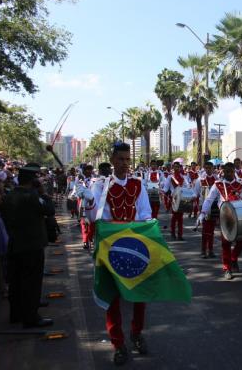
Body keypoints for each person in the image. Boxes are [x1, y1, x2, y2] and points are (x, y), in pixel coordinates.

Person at [85, 142, 152, 365]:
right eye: (120, 159)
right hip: (110, 248)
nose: (124, 164)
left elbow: (145, 213)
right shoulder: (100, 186)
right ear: (112, 160)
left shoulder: (137, 184)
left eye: (127, 159)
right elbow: (95, 217)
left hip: (134, 245)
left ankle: (136, 333)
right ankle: (118, 342)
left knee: (139, 294)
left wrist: (144, 233)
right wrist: (88, 201)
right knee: (113, 297)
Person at [0, 163, 54, 328]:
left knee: (16, 281)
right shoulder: (31, 196)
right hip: (32, 245)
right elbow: (49, 210)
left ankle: (16, 314)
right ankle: (31, 317)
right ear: (32, 181)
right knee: (31, 282)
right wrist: (43, 194)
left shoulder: (10, 195)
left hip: (15, 243)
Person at [198, 162, 242, 280]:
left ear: (234, 171)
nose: (228, 173)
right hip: (225, 216)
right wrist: (202, 213)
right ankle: (227, 268)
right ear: (223, 171)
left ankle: (233, 258)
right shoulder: (218, 184)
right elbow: (209, 200)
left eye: (231, 171)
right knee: (226, 243)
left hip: (240, 215)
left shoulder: (239, 184)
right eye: (226, 171)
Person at [193, 161, 219, 258]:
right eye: (207, 168)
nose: (208, 170)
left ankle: (211, 250)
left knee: (211, 229)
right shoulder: (200, 180)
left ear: (213, 169)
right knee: (205, 229)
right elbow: (195, 193)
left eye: (210, 168)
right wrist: (193, 199)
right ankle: (203, 250)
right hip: (204, 206)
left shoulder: (217, 179)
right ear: (204, 168)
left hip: (215, 206)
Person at [162, 162, 189, 240]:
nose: (176, 168)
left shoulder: (183, 177)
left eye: (178, 167)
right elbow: (166, 188)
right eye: (175, 167)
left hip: (181, 198)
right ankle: (173, 232)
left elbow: (187, 186)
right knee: (174, 216)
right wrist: (162, 190)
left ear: (180, 168)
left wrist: (189, 188)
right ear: (173, 168)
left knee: (180, 217)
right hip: (174, 198)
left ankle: (180, 235)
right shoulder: (170, 177)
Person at [79, 164, 95, 250]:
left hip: (93, 204)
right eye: (87, 170)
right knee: (84, 223)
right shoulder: (80, 181)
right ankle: (85, 241)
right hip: (83, 205)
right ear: (84, 171)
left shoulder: (96, 180)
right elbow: (77, 193)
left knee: (92, 223)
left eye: (90, 170)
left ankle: (90, 238)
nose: (89, 171)